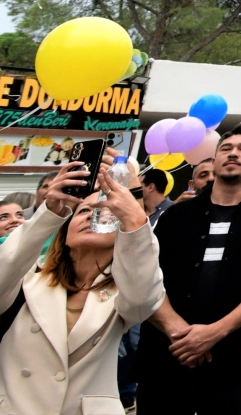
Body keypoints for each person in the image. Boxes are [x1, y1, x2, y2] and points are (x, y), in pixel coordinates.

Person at [138, 124, 241, 415]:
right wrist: (178, 332)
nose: (233, 153)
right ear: (214, 158)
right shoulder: (178, 215)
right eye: (226, 148)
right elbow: (147, 277)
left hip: (236, 356)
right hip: (167, 352)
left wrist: (214, 333)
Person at [0, 158, 163, 415]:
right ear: (64, 232)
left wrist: (134, 208)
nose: (93, 216)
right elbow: (6, 266)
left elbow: (144, 297)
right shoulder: (28, 278)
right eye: (84, 211)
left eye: (107, 210)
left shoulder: (126, 289)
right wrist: (50, 211)